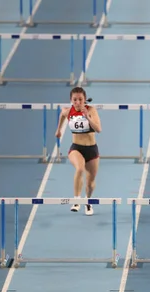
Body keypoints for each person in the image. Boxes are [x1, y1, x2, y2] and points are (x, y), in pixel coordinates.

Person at [55, 87, 102, 216]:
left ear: (84, 100)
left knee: (90, 182)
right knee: (79, 168)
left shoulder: (91, 110)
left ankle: (88, 202)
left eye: (80, 99)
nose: (77, 102)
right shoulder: (68, 111)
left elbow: (98, 129)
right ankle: (76, 200)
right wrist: (58, 130)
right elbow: (62, 115)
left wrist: (87, 117)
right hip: (76, 148)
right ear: (71, 100)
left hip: (92, 150)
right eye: (75, 100)